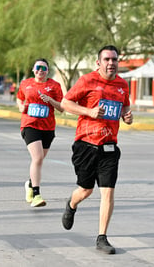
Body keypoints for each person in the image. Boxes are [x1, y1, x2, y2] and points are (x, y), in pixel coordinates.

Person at [61, 45, 133, 254]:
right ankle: (72, 204)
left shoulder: (122, 85)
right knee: (86, 190)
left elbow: (125, 107)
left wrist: (127, 116)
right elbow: (66, 103)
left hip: (109, 146)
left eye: (114, 59)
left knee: (108, 192)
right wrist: (89, 112)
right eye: (107, 59)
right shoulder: (87, 80)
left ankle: (102, 238)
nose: (111, 63)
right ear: (98, 62)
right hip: (85, 144)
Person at [16, 58, 63, 207]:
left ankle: (29, 184)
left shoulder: (54, 86)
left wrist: (50, 100)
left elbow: (61, 107)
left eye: (44, 68)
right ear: (33, 69)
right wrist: (21, 106)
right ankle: (36, 194)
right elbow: (19, 98)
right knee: (37, 158)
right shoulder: (26, 84)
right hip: (30, 125)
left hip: (48, 127)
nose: (40, 71)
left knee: (40, 159)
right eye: (38, 67)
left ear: (48, 71)